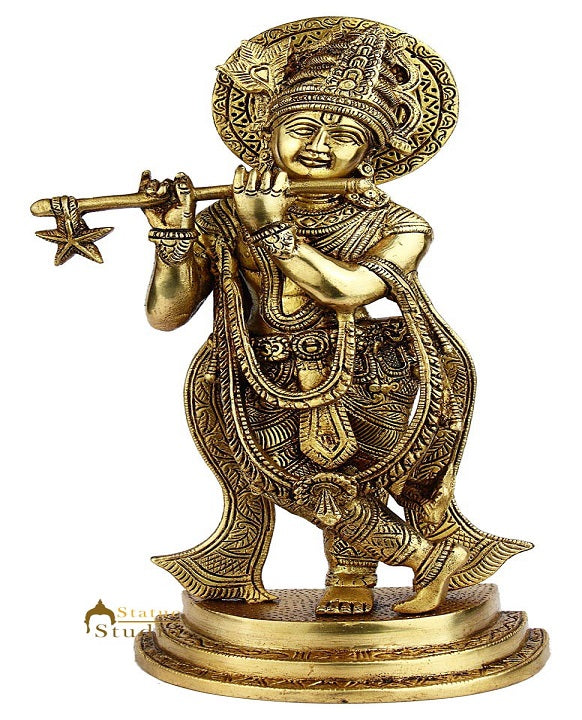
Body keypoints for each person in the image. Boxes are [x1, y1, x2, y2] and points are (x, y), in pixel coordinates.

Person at [139, 24, 529, 615]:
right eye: (301, 127)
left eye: (344, 135)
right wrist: (172, 238)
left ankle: (361, 570)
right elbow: (166, 316)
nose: (320, 146)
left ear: (370, 154)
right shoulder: (224, 218)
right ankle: (423, 557)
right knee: (284, 480)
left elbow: (345, 291)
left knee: (353, 476)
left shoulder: (398, 225)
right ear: (266, 135)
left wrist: (272, 229)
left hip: (369, 374)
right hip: (251, 373)